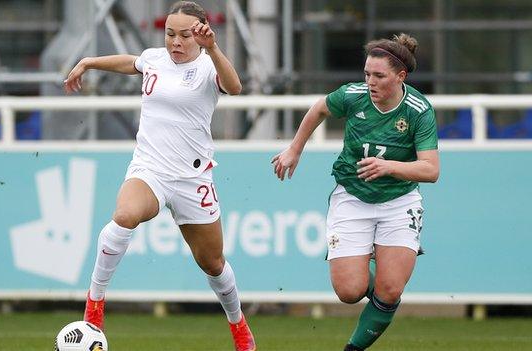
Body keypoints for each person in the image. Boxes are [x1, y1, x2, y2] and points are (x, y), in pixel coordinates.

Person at [63, 2, 256, 350]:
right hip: (149, 169)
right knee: (124, 216)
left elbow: (235, 86)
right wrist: (90, 62)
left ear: (200, 35)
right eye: (170, 33)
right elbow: (132, 62)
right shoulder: (155, 58)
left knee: (213, 264)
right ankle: (94, 307)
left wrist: (213, 48)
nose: (175, 41)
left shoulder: (208, 66)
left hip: (192, 179)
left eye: (184, 35)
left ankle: (238, 324)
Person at [272, 33, 439, 350]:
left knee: (390, 290)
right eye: (367, 74)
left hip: (399, 200)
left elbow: (430, 169)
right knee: (349, 291)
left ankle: (365, 328)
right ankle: (381, 282)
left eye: (379, 76)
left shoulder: (419, 110)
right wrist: (294, 150)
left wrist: (389, 167)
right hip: (352, 197)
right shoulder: (353, 95)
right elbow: (319, 109)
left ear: (400, 76)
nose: (370, 82)